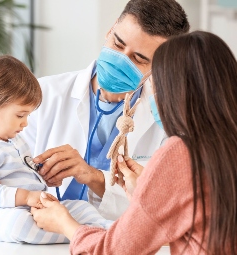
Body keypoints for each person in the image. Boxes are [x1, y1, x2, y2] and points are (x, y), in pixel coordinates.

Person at [0, 0, 190, 223]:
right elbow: (1, 180)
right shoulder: (45, 95)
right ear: (110, 31)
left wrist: (92, 176)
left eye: (138, 58)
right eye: (118, 44)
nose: (121, 59)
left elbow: (165, 208)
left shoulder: (169, 120)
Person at [31, 31, 237, 254]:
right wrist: (144, 194)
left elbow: (115, 250)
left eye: (156, 87)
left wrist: (64, 223)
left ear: (175, 92)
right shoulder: (225, 145)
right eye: (119, 45)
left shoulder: (180, 152)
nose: (154, 97)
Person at [0, 55, 113, 244]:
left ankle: (108, 231)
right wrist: (27, 196)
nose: (25, 123)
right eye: (20, 115)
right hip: (7, 212)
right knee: (18, 224)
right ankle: (82, 235)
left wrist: (44, 174)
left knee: (82, 207)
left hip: (35, 206)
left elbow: (26, 171)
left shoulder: (16, 139)